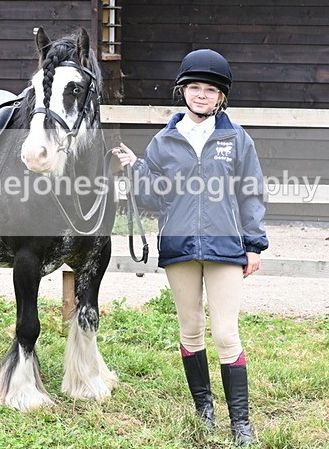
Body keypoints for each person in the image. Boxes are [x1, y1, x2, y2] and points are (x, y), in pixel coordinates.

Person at [113, 49, 268, 446]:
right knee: (191, 329)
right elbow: (152, 200)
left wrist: (254, 244)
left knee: (227, 335)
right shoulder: (164, 141)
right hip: (179, 245)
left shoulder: (236, 138)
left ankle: (241, 424)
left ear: (221, 97)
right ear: (183, 91)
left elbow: (251, 192)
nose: (201, 95)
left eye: (210, 90)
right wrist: (136, 169)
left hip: (225, 247)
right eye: (194, 88)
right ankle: (204, 409)